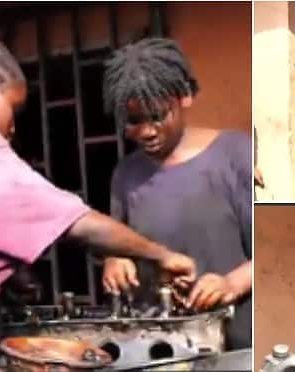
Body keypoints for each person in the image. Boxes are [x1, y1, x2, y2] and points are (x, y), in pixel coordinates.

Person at [0, 36, 197, 372]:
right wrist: (161, 255)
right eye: (13, 109)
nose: (12, 127)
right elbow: (78, 224)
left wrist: (6, 279)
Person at [100, 38, 252, 350]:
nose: (146, 131)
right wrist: (115, 261)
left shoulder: (236, 156)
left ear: (184, 97)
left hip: (235, 346)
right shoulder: (125, 175)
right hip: (161, 350)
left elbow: (274, 252)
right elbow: (121, 245)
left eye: (157, 116)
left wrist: (231, 284)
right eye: (133, 121)